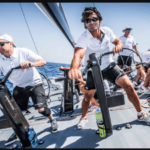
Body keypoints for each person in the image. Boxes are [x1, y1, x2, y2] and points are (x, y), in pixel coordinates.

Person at [68, 7, 150, 129]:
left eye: (94, 19)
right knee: (88, 97)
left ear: (99, 20)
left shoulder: (107, 31)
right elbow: (78, 54)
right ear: (85, 24)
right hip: (93, 70)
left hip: (109, 66)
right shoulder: (83, 37)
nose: (91, 22)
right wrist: (74, 67)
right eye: (87, 21)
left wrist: (118, 45)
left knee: (129, 85)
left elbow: (118, 42)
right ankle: (83, 118)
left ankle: (140, 114)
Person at [0, 34, 58, 146]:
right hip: (19, 86)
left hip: (34, 83)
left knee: (41, 109)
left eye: (1, 44)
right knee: (15, 113)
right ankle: (19, 132)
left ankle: (52, 119)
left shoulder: (23, 52)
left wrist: (31, 64)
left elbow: (42, 61)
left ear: (10, 43)